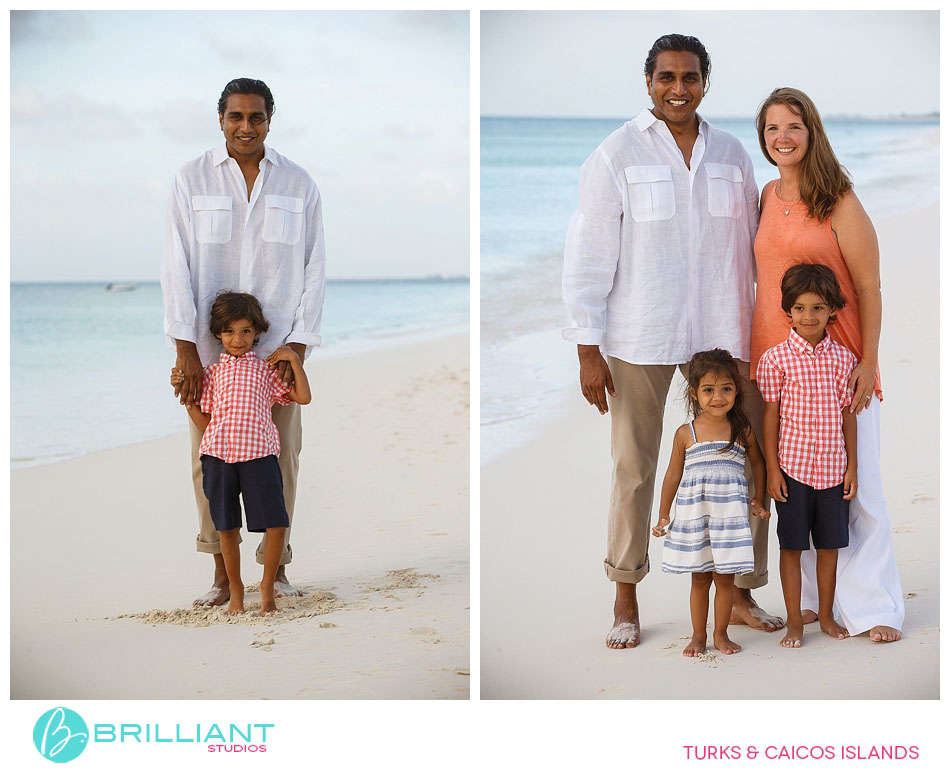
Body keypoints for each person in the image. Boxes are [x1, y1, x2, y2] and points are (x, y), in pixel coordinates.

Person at [562, 33, 783, 650]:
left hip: (726, 332)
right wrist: (587, 348)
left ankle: (741, 592)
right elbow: (588, 253)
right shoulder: (615, 154)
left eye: (690, 77)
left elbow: (756, 249)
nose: (678, 88)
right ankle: (626, 595)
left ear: (705, 82)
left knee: (746, 462)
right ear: (649, 82)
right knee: (635, 469)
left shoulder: (735, 154)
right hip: (640, 334)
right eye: (666, 77)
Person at [161, 77, 326, 607]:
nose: (246, 127)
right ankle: (219, 575)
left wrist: (296, 347)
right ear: (221, 119)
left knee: (281, 461)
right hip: (210, 357)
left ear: (270, 121)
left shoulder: (298, 185)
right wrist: (186, 346)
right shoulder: (191, 180)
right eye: (236, 116)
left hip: (276, 356)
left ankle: (273, 574)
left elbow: (314, 268)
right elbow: (175, 267)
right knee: (209, 464)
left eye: (256, 117)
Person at [750, 87, 904, 642]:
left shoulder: (839, 199)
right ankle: (818, 601)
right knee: (800, 491)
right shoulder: (766, 194)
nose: (782, 138)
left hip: (842, 369)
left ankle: (879, 607)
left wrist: (869, 360)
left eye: (793, 126)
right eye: (771, 129)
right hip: (782, 368)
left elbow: (869, 286)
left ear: (811, 132)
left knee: (857, 491)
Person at [171, 292, 312, 615]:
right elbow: (204, 421)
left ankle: (267, 588)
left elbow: (302, 397)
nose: (238, 339)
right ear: (218, 335)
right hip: (218, 457)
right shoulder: (210, 374)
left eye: (246, 331)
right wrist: (183, 392)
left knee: (276, 523)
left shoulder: (266, 371)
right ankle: (234, 589)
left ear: (258, 333)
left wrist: (293, 359)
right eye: (230, 332)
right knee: (226, 527)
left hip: (260, 455)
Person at [757, 265, 857, 647]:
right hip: (793, 470)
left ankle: (827, 615)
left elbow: (848, 416)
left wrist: (853, 466)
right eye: (799, 308)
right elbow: (771, 417)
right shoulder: (776, 359)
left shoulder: (843, 359)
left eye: (818, 308)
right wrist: (773, 470)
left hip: (833, 470)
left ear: (832, 310)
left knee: (829, 547)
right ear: (788, 311)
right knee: (792, 547)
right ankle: (796, 621)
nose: (809, 316)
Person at [651, 350, 770, 657]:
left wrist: (757, 499)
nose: (718, 397)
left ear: (736, 391)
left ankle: (720, 633)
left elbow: (758, 465)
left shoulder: (741, 430)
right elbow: (671, 476)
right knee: (700, 579)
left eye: (726, 389)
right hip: (696, 518)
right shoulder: (685, 434)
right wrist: (664, 515)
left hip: (728, 519)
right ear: (694, 393)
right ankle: (697, 635)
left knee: (725, 580)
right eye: (708, 390)